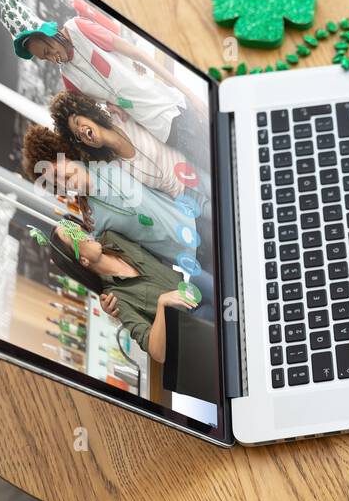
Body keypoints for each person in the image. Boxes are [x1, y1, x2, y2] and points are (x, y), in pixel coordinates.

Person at [0, 0, 208, 163]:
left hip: (174, 107)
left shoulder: (77, 28)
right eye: (44, 58)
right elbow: (102, 104)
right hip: (164, 133)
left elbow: (137, 54)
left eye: (48, 50)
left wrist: (191, 95)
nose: (52, 58)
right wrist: (112, 105)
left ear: (48, 33)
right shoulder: (68, 78)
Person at [21, 124, 209, 278]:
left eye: (55, 171)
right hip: (192, 260)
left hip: (195, 217)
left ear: (61, 154)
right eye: (55, 183)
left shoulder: (108, 158)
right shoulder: (95, 223)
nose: (62, 180)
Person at [44, 221, 198, 365]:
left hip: (195, 288)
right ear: (83, 261)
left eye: (75, 227)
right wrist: (161, 304)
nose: (80, 231)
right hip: (193, 328)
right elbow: (158, 353)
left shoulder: (113, 238)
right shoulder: (115, 299)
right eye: (73, 236)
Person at [48, 90, 204, 198]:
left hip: (194, 168)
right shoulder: (111, 166)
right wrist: (82, 199)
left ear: (87, 114)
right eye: (77, 135)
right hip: (184, 198)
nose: (81, 131)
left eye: (78, 122)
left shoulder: (121, 115)